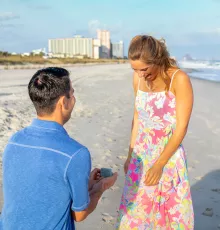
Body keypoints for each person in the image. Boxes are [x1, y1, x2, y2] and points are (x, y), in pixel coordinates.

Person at [0, 67, 117, 230]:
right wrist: (99, 189)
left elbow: (39, 190)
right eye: (72, 93)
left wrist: (86, 184)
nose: (74, 99)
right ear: (64, 102)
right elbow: (79, 214)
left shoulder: (14, 141)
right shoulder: (76, 154)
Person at [116, 35, 194, 229]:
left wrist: (159, 165)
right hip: (141, 155)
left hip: (168, 158)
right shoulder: (138, 78)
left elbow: (181, 128)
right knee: (135, 215)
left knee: (168, 217)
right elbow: (137, 118)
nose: (140, 74)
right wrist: (130, 155)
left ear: (157, 60)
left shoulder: (179, 79)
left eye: (144, 69)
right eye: (135, 69)